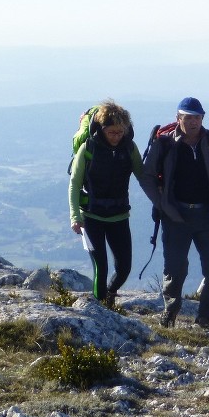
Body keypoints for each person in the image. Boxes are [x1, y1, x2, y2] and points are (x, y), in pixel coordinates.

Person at [140, 97, 209, 332]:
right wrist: (162, 204)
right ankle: (170, 313)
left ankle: (206, 318)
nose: (193, 122)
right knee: (175, 268)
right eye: (188, 117)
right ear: (178, 118)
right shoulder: (164, 143)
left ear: (203, 118)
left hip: (207, 215)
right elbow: (147, 176)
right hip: (176, 216)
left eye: (197, 117)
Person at [68, 100, 144, 308]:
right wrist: (75, 216)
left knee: (124, 268)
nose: (116, 136)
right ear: (102, 128)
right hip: (91, 216)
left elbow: (142, 175)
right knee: (101, 268)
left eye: (120, 132)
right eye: (112, 132)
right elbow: (74, 184)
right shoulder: (88, 148)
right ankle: (102, 310)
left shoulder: (129, 148)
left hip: (119, 216)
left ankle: (110, 294)